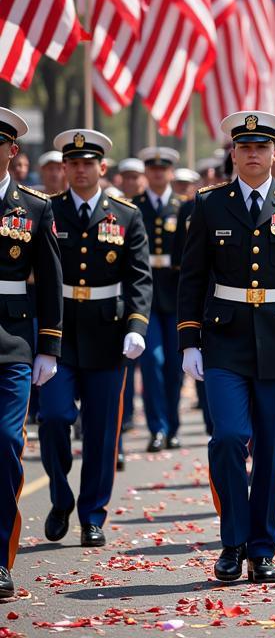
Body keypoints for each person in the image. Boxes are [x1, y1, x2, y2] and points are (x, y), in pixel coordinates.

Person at [177, 111, 275, 584]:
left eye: (261, 147)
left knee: (272, 448)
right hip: (224, 339)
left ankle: (262, 547)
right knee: (227, 438)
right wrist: (189, 339)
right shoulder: (209, 204)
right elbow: (192, 276)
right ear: (233, 153)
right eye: (244, 147)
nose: (252, 154)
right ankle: (232, 540)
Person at [40, 129, 151, 549]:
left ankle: (92, 515)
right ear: (65, 168)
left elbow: (139, 278)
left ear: (103, 168)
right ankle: (60, 494)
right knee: (52, 418)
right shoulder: (46, 211)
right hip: (60, 331)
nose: (81, 170)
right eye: (74, 163)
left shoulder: (125, 215)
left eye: (89, 163)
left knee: (103, 431)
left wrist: (137, 326)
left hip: (108, 333)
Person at [0, 110, 62, 600]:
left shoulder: (34, 207)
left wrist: (49, 347)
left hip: (13, 341)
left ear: (12, 151)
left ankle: (0, 558)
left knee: (5, 442)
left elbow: (51, 282)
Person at [133, 147, 184, 453]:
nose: (157, 174)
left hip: (176, 297)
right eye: (152, 169)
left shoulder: (183, 207)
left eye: (162, 169)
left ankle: (173, 426)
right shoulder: (135, 206)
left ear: (170, 173)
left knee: (175, 367)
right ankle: (157, 428)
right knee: (152, 361)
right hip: (147, 296)